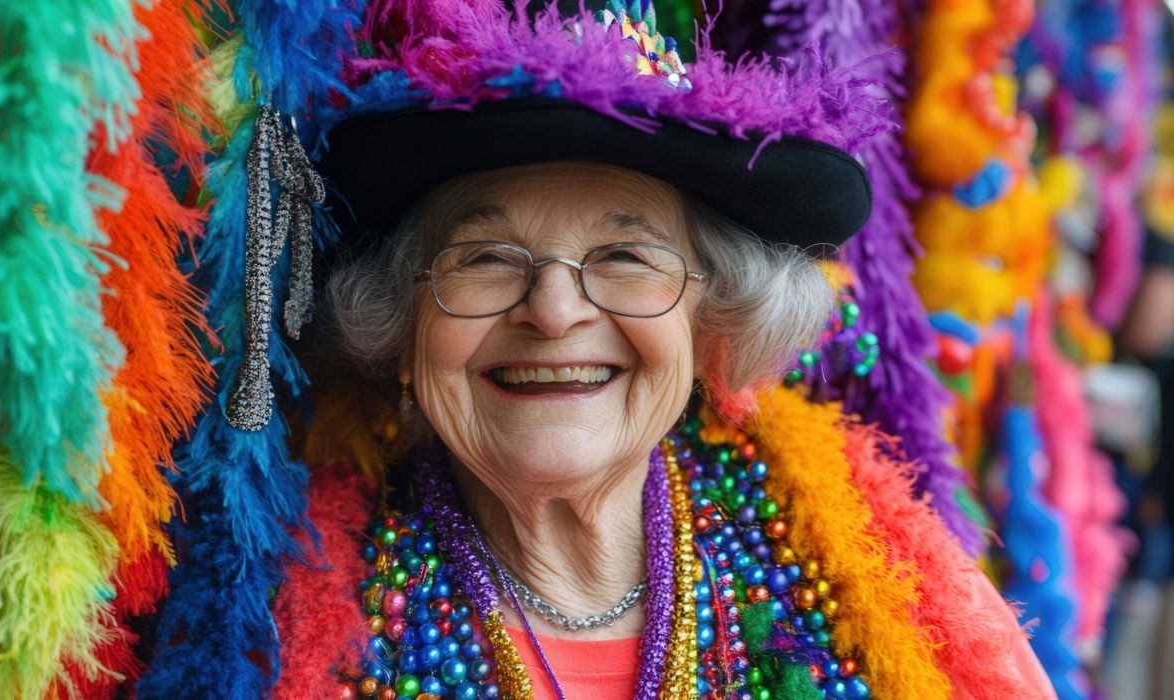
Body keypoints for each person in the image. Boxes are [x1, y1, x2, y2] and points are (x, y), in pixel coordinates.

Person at [193, 1, 1057, 698]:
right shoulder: (276, 625)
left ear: (712, 312)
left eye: (626, 257)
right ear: (401, 317)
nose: (556, 310)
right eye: (487, 259)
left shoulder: (881, 570)